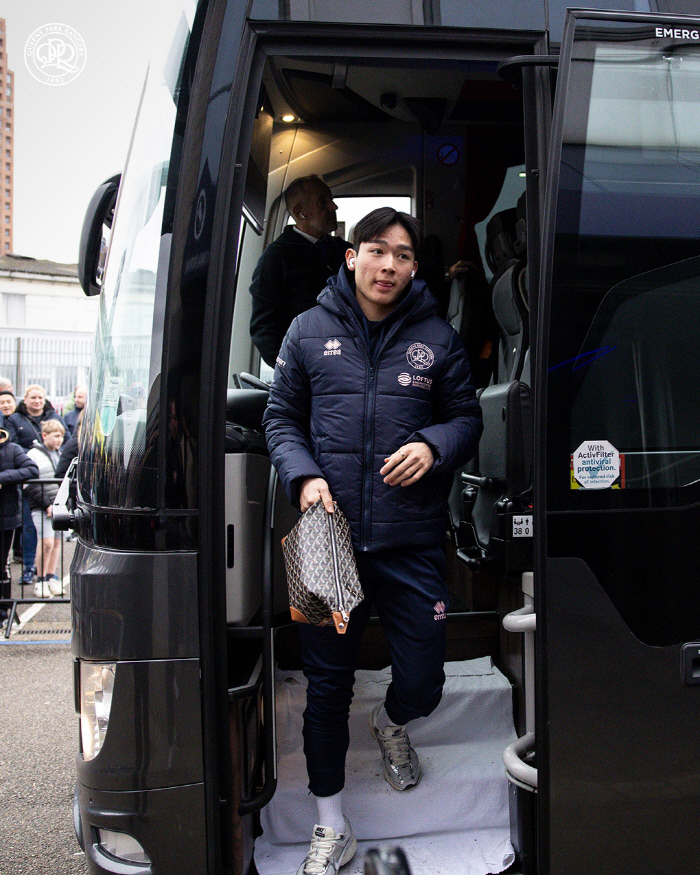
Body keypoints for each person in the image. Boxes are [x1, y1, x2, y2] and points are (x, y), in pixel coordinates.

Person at [264, 207, 483, 875]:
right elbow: (281, 418)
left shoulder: (437, 338)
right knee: (326, 688)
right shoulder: (307, 331)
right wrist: (302, 478)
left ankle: (392, 721)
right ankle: (332, 825)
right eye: (377, 250)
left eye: (404, 255)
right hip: (323, 534)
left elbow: (467, 418)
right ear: (352, 255)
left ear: (416, 267)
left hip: (412, 533)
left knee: (423, 676)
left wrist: (433, 444)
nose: (390, 264)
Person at [250, 175, 351, 367]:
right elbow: (264, 327)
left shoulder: (344, 251)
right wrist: (292, 370)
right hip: (306, 367)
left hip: (347, 363)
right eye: (323, 202)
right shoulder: (276, 257)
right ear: (300, 212)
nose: (333, 207)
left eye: (332, 200)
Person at [5, 385, 65, 584]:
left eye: (40, 397)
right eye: (33, 397)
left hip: (52, 493)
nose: (37, 401)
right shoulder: (15, 419)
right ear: (25, 400)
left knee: (54, 540)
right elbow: (12, 445)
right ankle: (30, 569)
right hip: (33, 491)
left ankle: (49, 574)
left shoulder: (54, 417)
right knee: (32, 533)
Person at [0, 428, 39, 627]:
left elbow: (32, 470)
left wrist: (3, 477)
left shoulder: (12, 449)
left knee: (2, 566)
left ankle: (4, 611)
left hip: (5, 518)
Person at [26, 420, 65, 598]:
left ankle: (51, 577)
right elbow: (31, 484)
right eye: (56, 436)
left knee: (56, 542)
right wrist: (46, 504)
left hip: (57, 505)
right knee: (46, 542)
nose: (60, 440)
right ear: (44, 436)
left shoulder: (59, 453)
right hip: (42, 507)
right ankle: (40, 580)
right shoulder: (33, 454)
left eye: (62, 436)